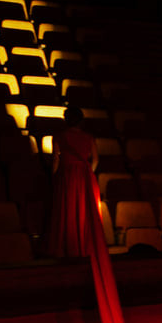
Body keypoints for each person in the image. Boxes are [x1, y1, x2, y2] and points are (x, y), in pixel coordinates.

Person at [45, 105, 99, 259]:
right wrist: (87, 174)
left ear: (66, 119)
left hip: (66, 175)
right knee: (84, 211)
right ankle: (84, 246)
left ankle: (68, 246)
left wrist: (54, 178)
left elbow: (55, 159)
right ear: (81, 121)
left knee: (67, 209)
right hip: (85, 176)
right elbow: (95, 160)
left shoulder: (59, 136)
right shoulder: (89, 137)